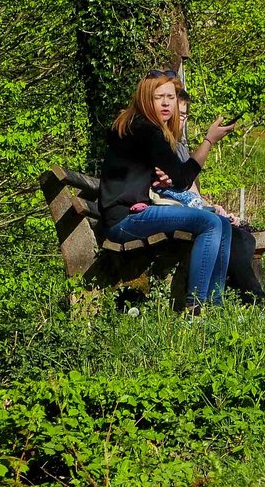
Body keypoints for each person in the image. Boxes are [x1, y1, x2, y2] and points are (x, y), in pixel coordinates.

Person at [99, 73, 237, 311]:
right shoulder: (148, 130)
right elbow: (183, 180)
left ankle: (215, 306)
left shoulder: (131, 123)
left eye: (170, 98)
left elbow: (131, 167)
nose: (166, 104)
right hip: (124, 220)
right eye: (158, 97)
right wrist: (209, 141)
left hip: (125, 214)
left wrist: (157, 177)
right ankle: (197, 308)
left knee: (222, 224)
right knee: (211, 223)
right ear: (145, 99)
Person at [163, 92, 265, 306]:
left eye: (185, 116)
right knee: (231, 234)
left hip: (190, 210)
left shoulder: (180, 148)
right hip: (170, 213)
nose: (181, 120)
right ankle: (251, 302)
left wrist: (212, 207)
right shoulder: (162, 145)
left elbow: (190, 192)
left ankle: (233, 300)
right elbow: (171, 192)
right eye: (178, 114)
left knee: (242, 236)